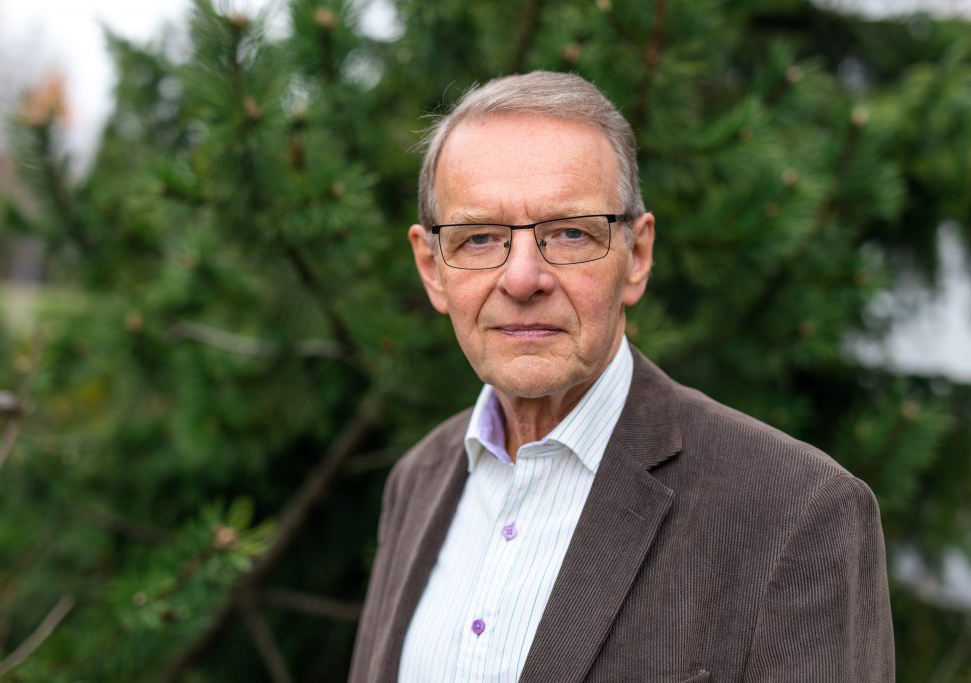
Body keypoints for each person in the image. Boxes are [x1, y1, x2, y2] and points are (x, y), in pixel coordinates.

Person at [349, 71, 893, 683]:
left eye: (570, 233)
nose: (523, 279)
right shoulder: (416, 482)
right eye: (479, 238)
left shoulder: (797, 512)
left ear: (637, 256)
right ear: (432, 269)